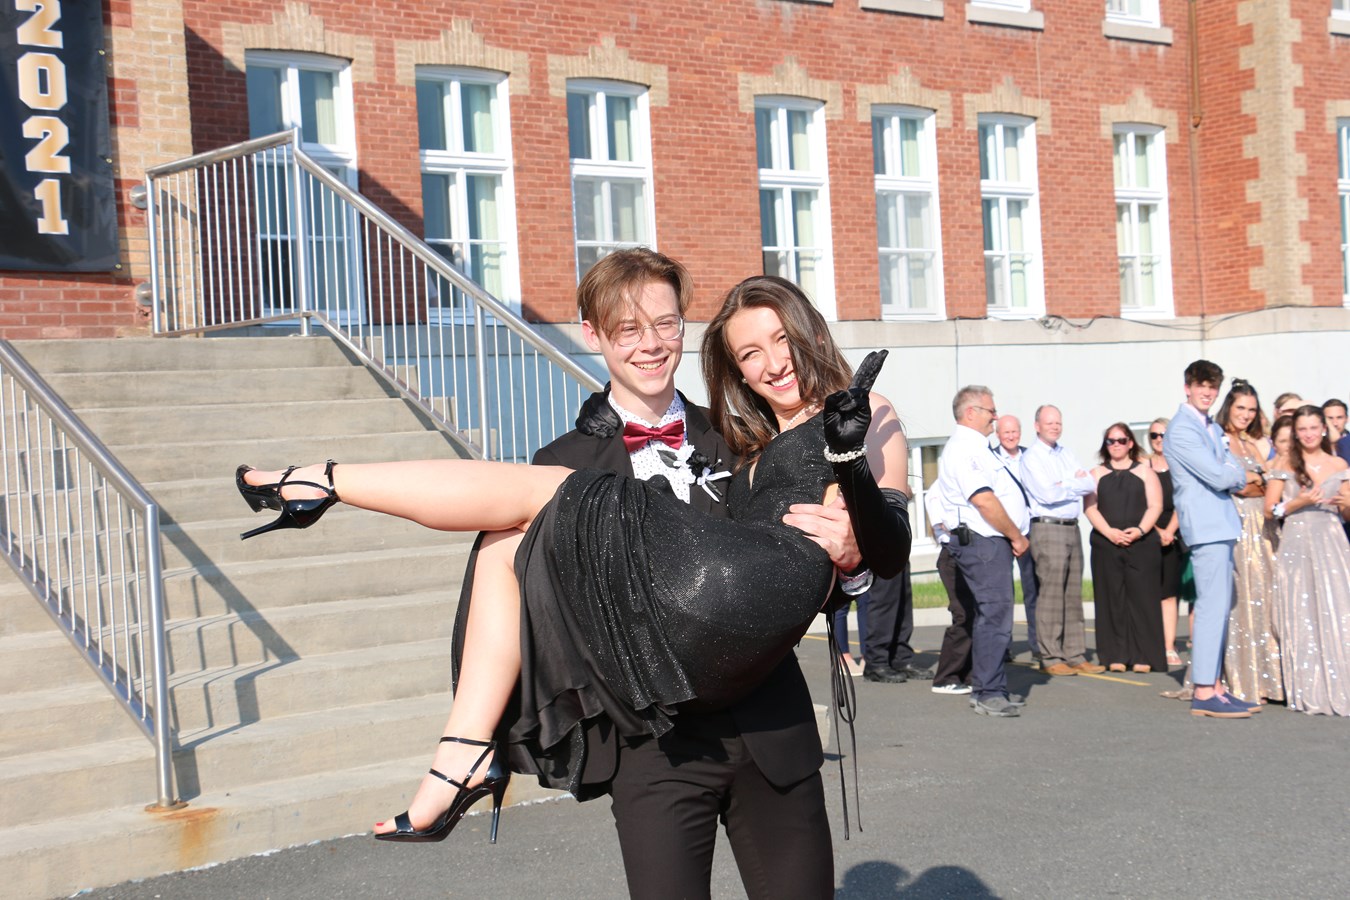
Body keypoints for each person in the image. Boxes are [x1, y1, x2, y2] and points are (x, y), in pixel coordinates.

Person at [238, 272, 911, 888]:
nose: (651, 346)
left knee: (522, 524)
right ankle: (463, 745)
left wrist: (850, 563)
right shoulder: (565, 456)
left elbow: (843, 545)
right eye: (629, 330)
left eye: (667, 326)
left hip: (769, 727)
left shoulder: (737, 434)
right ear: (594, 336)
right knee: (506, 540)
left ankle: (324, 486)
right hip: (656, 745)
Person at [1162, 360, 1263, 718]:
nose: (1207, 392)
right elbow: (1222, 475)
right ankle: (1204, 689)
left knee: (1219, 608)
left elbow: (1228, 466)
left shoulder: (1204, 426)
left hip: (1219, 523)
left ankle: (1215, 685)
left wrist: (1231, 469)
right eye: (1202, 385)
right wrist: (1236, 473)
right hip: (1205, 525)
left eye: (1213, 387)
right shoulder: (1184, 428)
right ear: (1187, 386)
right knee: (1209, 607)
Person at [934, 386, 1029, 717]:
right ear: (971, 412)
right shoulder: (966, 449)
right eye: (991, 411)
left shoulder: (976, 447)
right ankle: (988, 691)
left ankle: (991, 686)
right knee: (996, 615)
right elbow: (984, 499)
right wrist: (1015, 535)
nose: (996, 417)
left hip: (985, 541)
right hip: (984, 541)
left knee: (993, 615)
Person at [1264, 405, 1350, 716]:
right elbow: (1269, 510)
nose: (1310, 434)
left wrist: (1347, 502)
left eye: (1314, 427)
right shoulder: (1285, 462)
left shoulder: (1338, 463)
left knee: (1337, 608)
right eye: (1303, 429)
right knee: (1302, 610)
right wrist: (1298, 501)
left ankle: (1341, 685)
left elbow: (1346, 512)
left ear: (1324, 429)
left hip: (1331, 538)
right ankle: (1309, 687)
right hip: (1297, 539)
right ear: (1296, 433)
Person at [1020, 405, 1106, 677]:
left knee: (1072, 594)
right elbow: (1047, 494)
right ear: (1037, 425)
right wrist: (1073, 482)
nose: (1055, 426)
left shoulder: (1065, 453)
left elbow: (1090, 484)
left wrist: (1064, 483)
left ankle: (1075, 653)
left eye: (1058, 422)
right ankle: (1051, 654)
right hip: (1048, 528)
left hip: (1071, 527)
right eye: (1049, 422)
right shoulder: (1032, 457)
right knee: (1052, 594)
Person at [1214, 380, 1283, 704]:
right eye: (1240, 407)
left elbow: (1268, 483)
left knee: (1265, 599)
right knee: (1242, 600)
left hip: (1263, 529)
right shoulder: (1218, 440)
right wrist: (1256, 481)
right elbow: (1239, 487)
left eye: (1251, 409)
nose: (1245, 414)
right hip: (1238, 524)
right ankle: (1243, 678)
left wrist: (1256, 480)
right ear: (1229, 406)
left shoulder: (1251, 444)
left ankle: (1269, 680)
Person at [1084, 423, 1166, 673]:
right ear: (1105, 445)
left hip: (1141, 543)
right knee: (1112, 600)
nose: (1116, 445)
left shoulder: (1145, 472)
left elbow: (1155, 506)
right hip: (1106, 543)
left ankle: (1144, 656)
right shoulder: (1096, 474)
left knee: (1142, 600)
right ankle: (1114, 655)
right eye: (1111, 441)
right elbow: (1090, 508)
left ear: (1131, 443)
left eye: (1121, 440)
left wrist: (1140, 530)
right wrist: (1109, 532)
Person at [992, 415, 1039, 659]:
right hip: (1000, 534)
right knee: (1004, 595)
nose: (1011, 436)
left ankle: (1037, 645)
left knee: (1033, 591)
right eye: (1006, 432)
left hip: (1028, 532)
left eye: (1014, 432)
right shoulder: (991, 458)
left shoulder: (1030, 457)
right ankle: (1004, 646)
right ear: (998, 434)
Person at [1146, 418, 1185, 667]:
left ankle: (1169, 646)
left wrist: (1169, 531)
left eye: (1163, 434)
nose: (1159, 439)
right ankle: (1148, 646)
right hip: (1148, 531)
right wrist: (1156, 530)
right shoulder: (1143, 466)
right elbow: (1140, 502)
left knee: (1169, 594)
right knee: (1147, 592)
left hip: (1174, 533)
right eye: (1154, 435)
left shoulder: (1180, 466)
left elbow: (1184, 501)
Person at [927, 488, 973, 695]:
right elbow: (946, 526)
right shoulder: (939, 489)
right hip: (953, 556)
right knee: (962, 613)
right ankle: (946, 677)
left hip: (970, 555)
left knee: (974, 615)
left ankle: (968, 673)